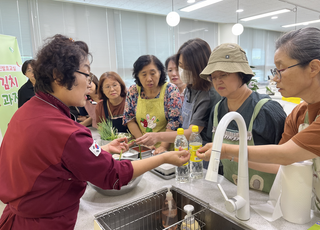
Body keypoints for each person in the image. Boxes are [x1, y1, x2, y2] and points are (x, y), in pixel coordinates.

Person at [0, 34, 189, 230]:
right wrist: (164, 158)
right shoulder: (65, 131)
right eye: (86, 74)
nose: (90, 83)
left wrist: (103, 149)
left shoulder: (27, 111)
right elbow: (114, 174)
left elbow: (57, 160)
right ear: (58, 76)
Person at [196, 27, 320, 206]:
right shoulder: (298, 115)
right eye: (274, 70)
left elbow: (285, 154)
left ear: (313, 68)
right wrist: (228, 155)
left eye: (281, 69)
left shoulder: (267, 109)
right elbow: (280, 162)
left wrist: (225, 150)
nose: (275, 79)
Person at [198, 43, 287, 193]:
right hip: (230, 191)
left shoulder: (266, 110)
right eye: (213, 77)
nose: (218, 81)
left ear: (241, 74)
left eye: (224, 74)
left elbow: (286, 161)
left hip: (266, 197)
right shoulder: (218, 110)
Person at [136, 38, 221, 147]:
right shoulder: (191, 87)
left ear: (200, 67)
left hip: (202, 152)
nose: (181, 71)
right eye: (180, 66)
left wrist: (157, 136)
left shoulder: (208, 94)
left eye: (187, 67)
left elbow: (192, 133)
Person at [123, 55, 183, 154]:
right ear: (137, 75)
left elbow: (174, 122)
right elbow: (130, 119)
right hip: (142, 147)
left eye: (152, 73)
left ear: (160, 72)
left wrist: (163, 147)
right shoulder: (133, 91)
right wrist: (143, 142)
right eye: (144, 74)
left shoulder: (170, 90)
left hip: (168, 147)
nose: (149, 79)